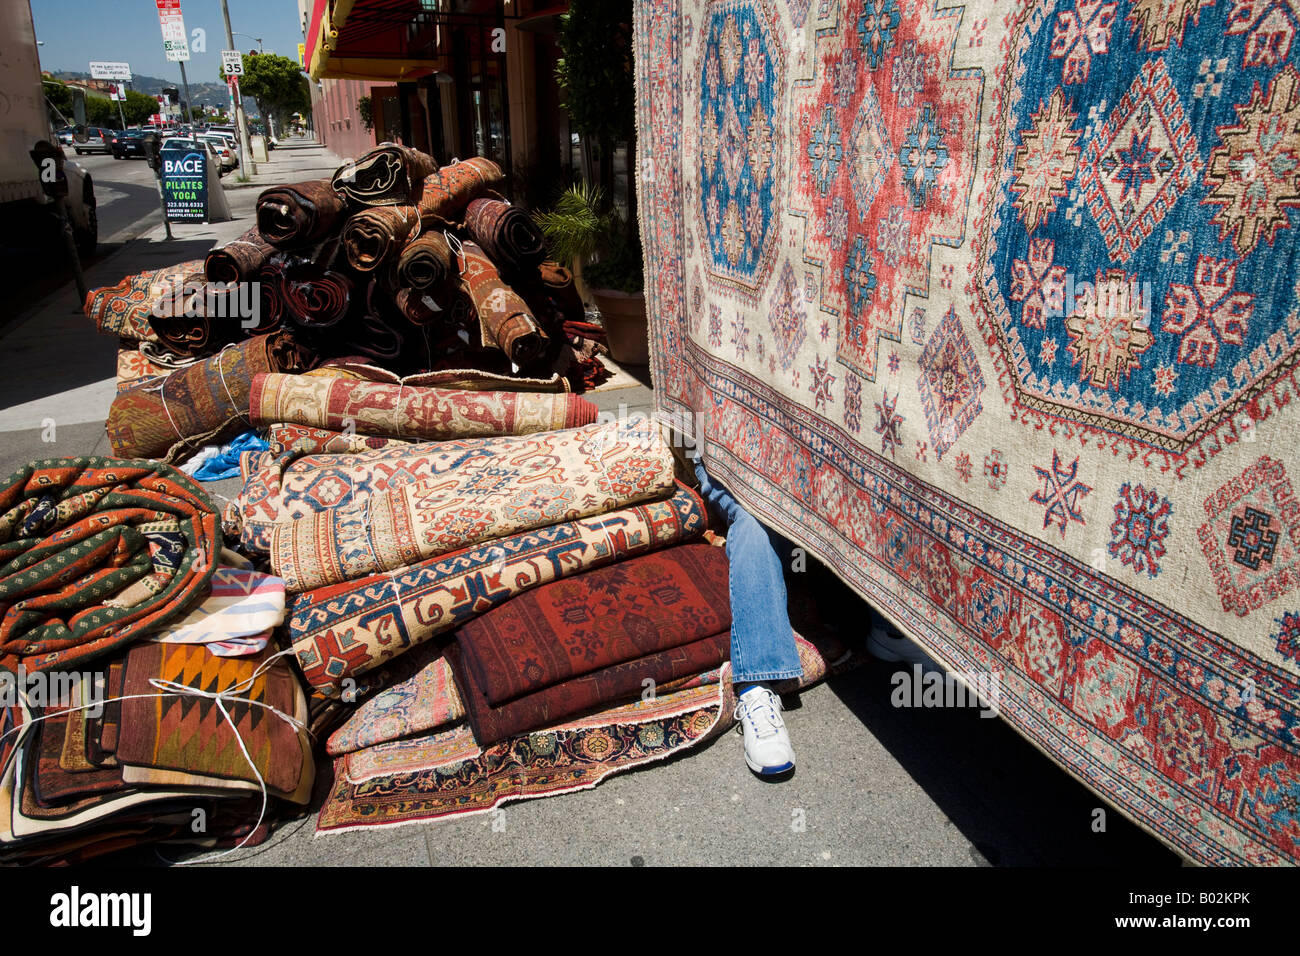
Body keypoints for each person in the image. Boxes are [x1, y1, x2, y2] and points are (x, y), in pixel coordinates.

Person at [691, 456, 804, 777]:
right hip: (731, 458)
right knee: (756, 522)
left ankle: (892, 632)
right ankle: (755, 688)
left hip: (800, 468)